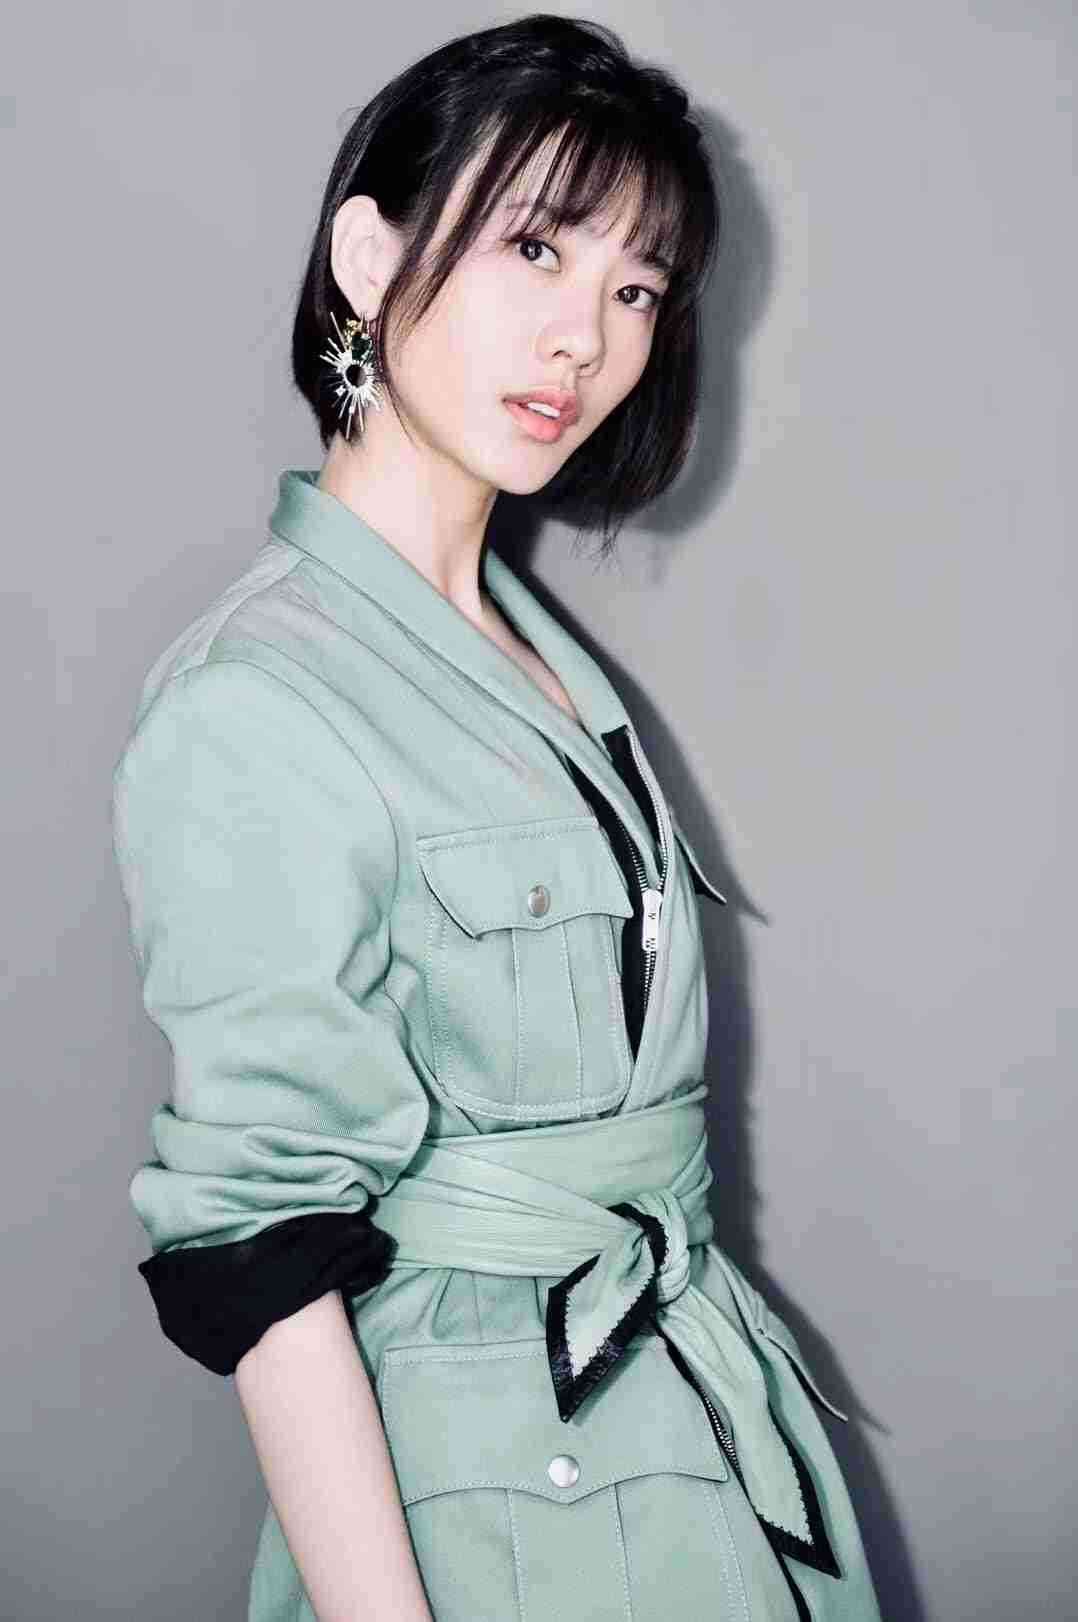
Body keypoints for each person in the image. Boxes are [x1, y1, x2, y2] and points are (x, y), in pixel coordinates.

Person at [111, 15, 884, 1621]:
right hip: (500, 1503)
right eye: (534, 247)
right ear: (367, 259)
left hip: (684, 1433)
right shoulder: (257, 701)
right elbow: (257, 1246)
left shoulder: (535, 663)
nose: (582, 339)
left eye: (635, 288)